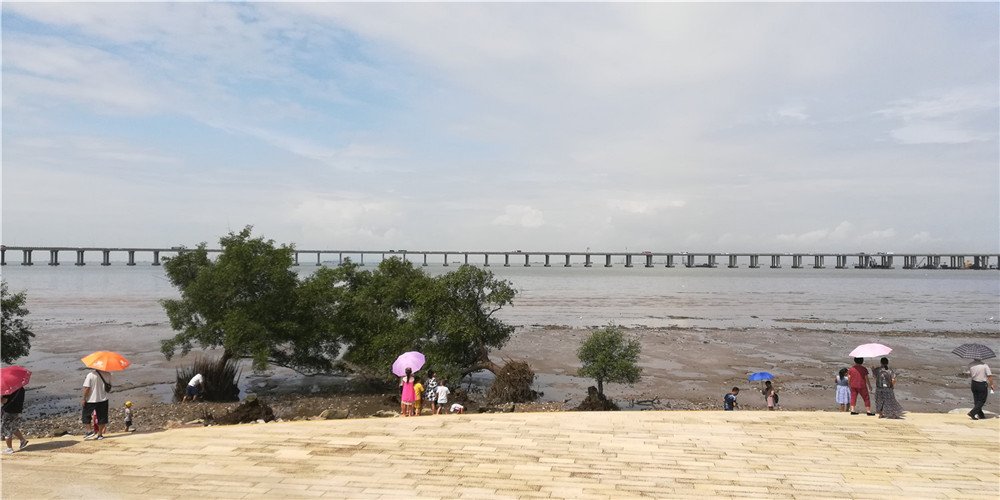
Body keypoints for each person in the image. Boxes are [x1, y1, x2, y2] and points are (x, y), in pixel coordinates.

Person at [82, 368, 111, 440]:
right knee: (102, 417)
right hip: (103, 399)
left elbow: (87, 388)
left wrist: (84, 399)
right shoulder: (108, 374)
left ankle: (89, 431)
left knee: (86, 415)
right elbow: (109, 386)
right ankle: (100, 434)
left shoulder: (90, 375)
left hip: (91, 399)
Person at [1, 387, 28, 454]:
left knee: (6, 428)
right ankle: (22, 440)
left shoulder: (9, 389)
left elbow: (4, 401)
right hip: (18, 410)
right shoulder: (21, 388)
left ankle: (9, 448)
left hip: (9, 411)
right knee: (13, 427)